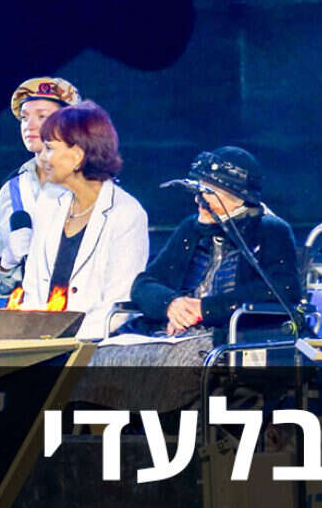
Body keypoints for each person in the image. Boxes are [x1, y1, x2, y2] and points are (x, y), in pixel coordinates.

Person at [130, 146, 301, 351]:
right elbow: (144, 284)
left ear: (238, 199)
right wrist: (172, 305)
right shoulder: (190, 228)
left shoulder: (271, 230)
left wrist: (204, 309)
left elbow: (283, 289)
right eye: (199, 191)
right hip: (173, 334)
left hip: (230, 339)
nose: (199, 200)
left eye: (208, 193)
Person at [20, 101, 149, 339]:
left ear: (77, 156)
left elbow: (119, 306)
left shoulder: (126, 214)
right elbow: (32, 290)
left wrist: (64, 339)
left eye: (49, 148)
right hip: (41, 344)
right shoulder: (47, 205)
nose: (42, 158)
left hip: (95, 345)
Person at [0, 77, 82, 295]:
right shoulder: (14, 189)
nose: (29, 125)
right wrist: (7, 260)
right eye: (24, 117)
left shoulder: (93, 182)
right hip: (35, 309)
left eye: (42, 116)